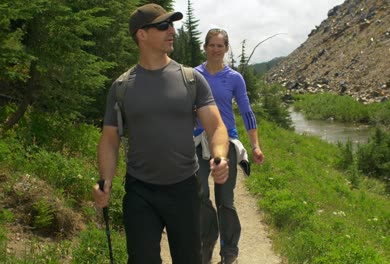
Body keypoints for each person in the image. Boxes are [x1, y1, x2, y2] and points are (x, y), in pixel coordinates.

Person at [92, 4, 230, 264]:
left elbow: (216, 127)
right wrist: (105, 181)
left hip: (185, 189)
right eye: (163, 26)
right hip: (140, 191)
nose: (172, 31)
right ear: (141, 35)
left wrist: (220, 156)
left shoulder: (190, 79)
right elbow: (110, 139)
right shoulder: (121, 87)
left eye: (172, 25)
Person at [194, 28, 265, 264]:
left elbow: (246, 111)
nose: (216, 50)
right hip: (197, 140)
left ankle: (229, 250)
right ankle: (208, 238)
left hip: (226, 142)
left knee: (225, 200)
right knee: (199, 193)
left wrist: (254, 145)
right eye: (211, 45)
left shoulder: (234, 78)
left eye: (220, 46)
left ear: (226, 48)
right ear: (205, 47)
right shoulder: (193, 75)